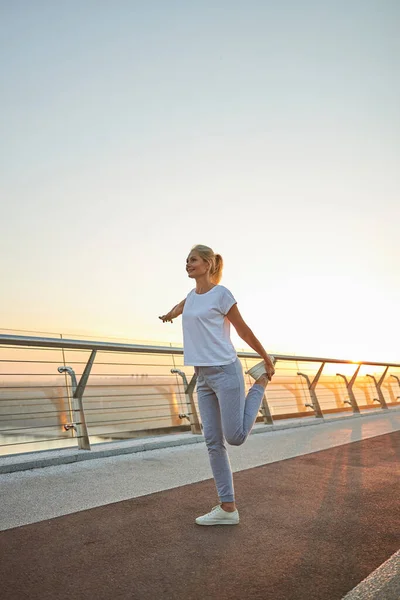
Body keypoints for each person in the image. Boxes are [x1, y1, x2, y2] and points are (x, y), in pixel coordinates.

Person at [159, 244, 275, 526]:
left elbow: (243, 329)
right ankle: (227, 508)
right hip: (203, 376)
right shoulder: (191, 296)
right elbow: (182, 306)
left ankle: (259, 382)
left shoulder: (222, 294)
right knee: (212, 442)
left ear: (209, 263)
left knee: (234, 437)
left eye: (194, 260)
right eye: (186, 260)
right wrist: (169, 315)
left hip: (225, 371)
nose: (188, 264)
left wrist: (264, 358)